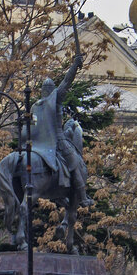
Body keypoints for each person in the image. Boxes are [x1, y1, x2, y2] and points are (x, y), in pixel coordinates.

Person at [29, 54, 93, 205]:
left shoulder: (35, 106)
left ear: (42, 91)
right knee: (75, 164)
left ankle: (58, 194)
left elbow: (32, 127)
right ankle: (83, 197)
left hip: (37, 143)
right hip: (58, 140)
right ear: (52, 90)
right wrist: (75, 66)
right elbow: (66, 81)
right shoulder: (55, 99)